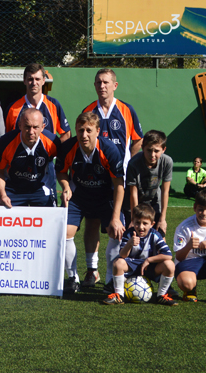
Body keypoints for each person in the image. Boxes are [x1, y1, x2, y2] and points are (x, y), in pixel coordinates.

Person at [81, 68, 143, 289]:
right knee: (92, 222)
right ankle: (92, 270)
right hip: (95, 179)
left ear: (115, 85)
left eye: (106, 82)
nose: (102, 86)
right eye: (98, 82)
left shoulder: (126, 110)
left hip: (120, 181)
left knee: (120, 227)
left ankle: (118, 273)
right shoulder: (89, 110)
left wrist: (129, 166)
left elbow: (137, 140)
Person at [56, 112, 125, 295]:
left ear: (97, 131)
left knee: (116, 231)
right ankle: (74, 278)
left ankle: (110, 279)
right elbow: (61, 172)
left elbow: (119, 185)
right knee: (66, 233)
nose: (84, 135)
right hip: (79, 196)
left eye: (88, 130)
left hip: (105, 196)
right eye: (80, 130)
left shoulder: (109, 150)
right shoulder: (68, 147)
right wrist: (65, 186)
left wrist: (116, 217)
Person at [101, 203, 178, 306]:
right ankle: (119, 295)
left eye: (145, 223)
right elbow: (122, 255)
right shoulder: (128, 234)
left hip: (149, 267)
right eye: (137, 223)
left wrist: (149, 260)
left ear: (152, 224)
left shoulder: (155, 235)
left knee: (170, 264)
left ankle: (161, 295)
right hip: (132, 266)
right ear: (132, 222)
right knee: (118, 263)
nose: (141, 227)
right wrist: (129, 244)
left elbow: (168, 255)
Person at [0, 108, 60, 208]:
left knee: (51, 220)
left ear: (42, 127)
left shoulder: (52, 142)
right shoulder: (5, 142)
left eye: (35, 127)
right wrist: (3, 195)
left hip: (40, 189)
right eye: (27, 127)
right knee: (1, 219)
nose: (31, 132)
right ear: (20, 125)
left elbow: (63, 167)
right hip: (12, 189)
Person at [4, 63, 71, 142]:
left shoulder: (53, 105)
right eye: (30, 79)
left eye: (37, 79)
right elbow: (5, 138)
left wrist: (54, 149)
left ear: (43, 81)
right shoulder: (13, 108)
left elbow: (66, 134)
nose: (34, 83)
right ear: (24, 81)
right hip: (20, 154)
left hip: (47, 154)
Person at [126, 130, 172, 235]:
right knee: (135, 234)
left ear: (163, 149)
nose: (152, 155)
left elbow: (165, 191)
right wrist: (134, 219)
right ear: (142, 148)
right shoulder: (134, 163)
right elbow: (133, 193)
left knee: (159, 233)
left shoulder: (167, 162)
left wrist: (162, 219)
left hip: (154, 200)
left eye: (156, 151)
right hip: (134, 202)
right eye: (149, 150)